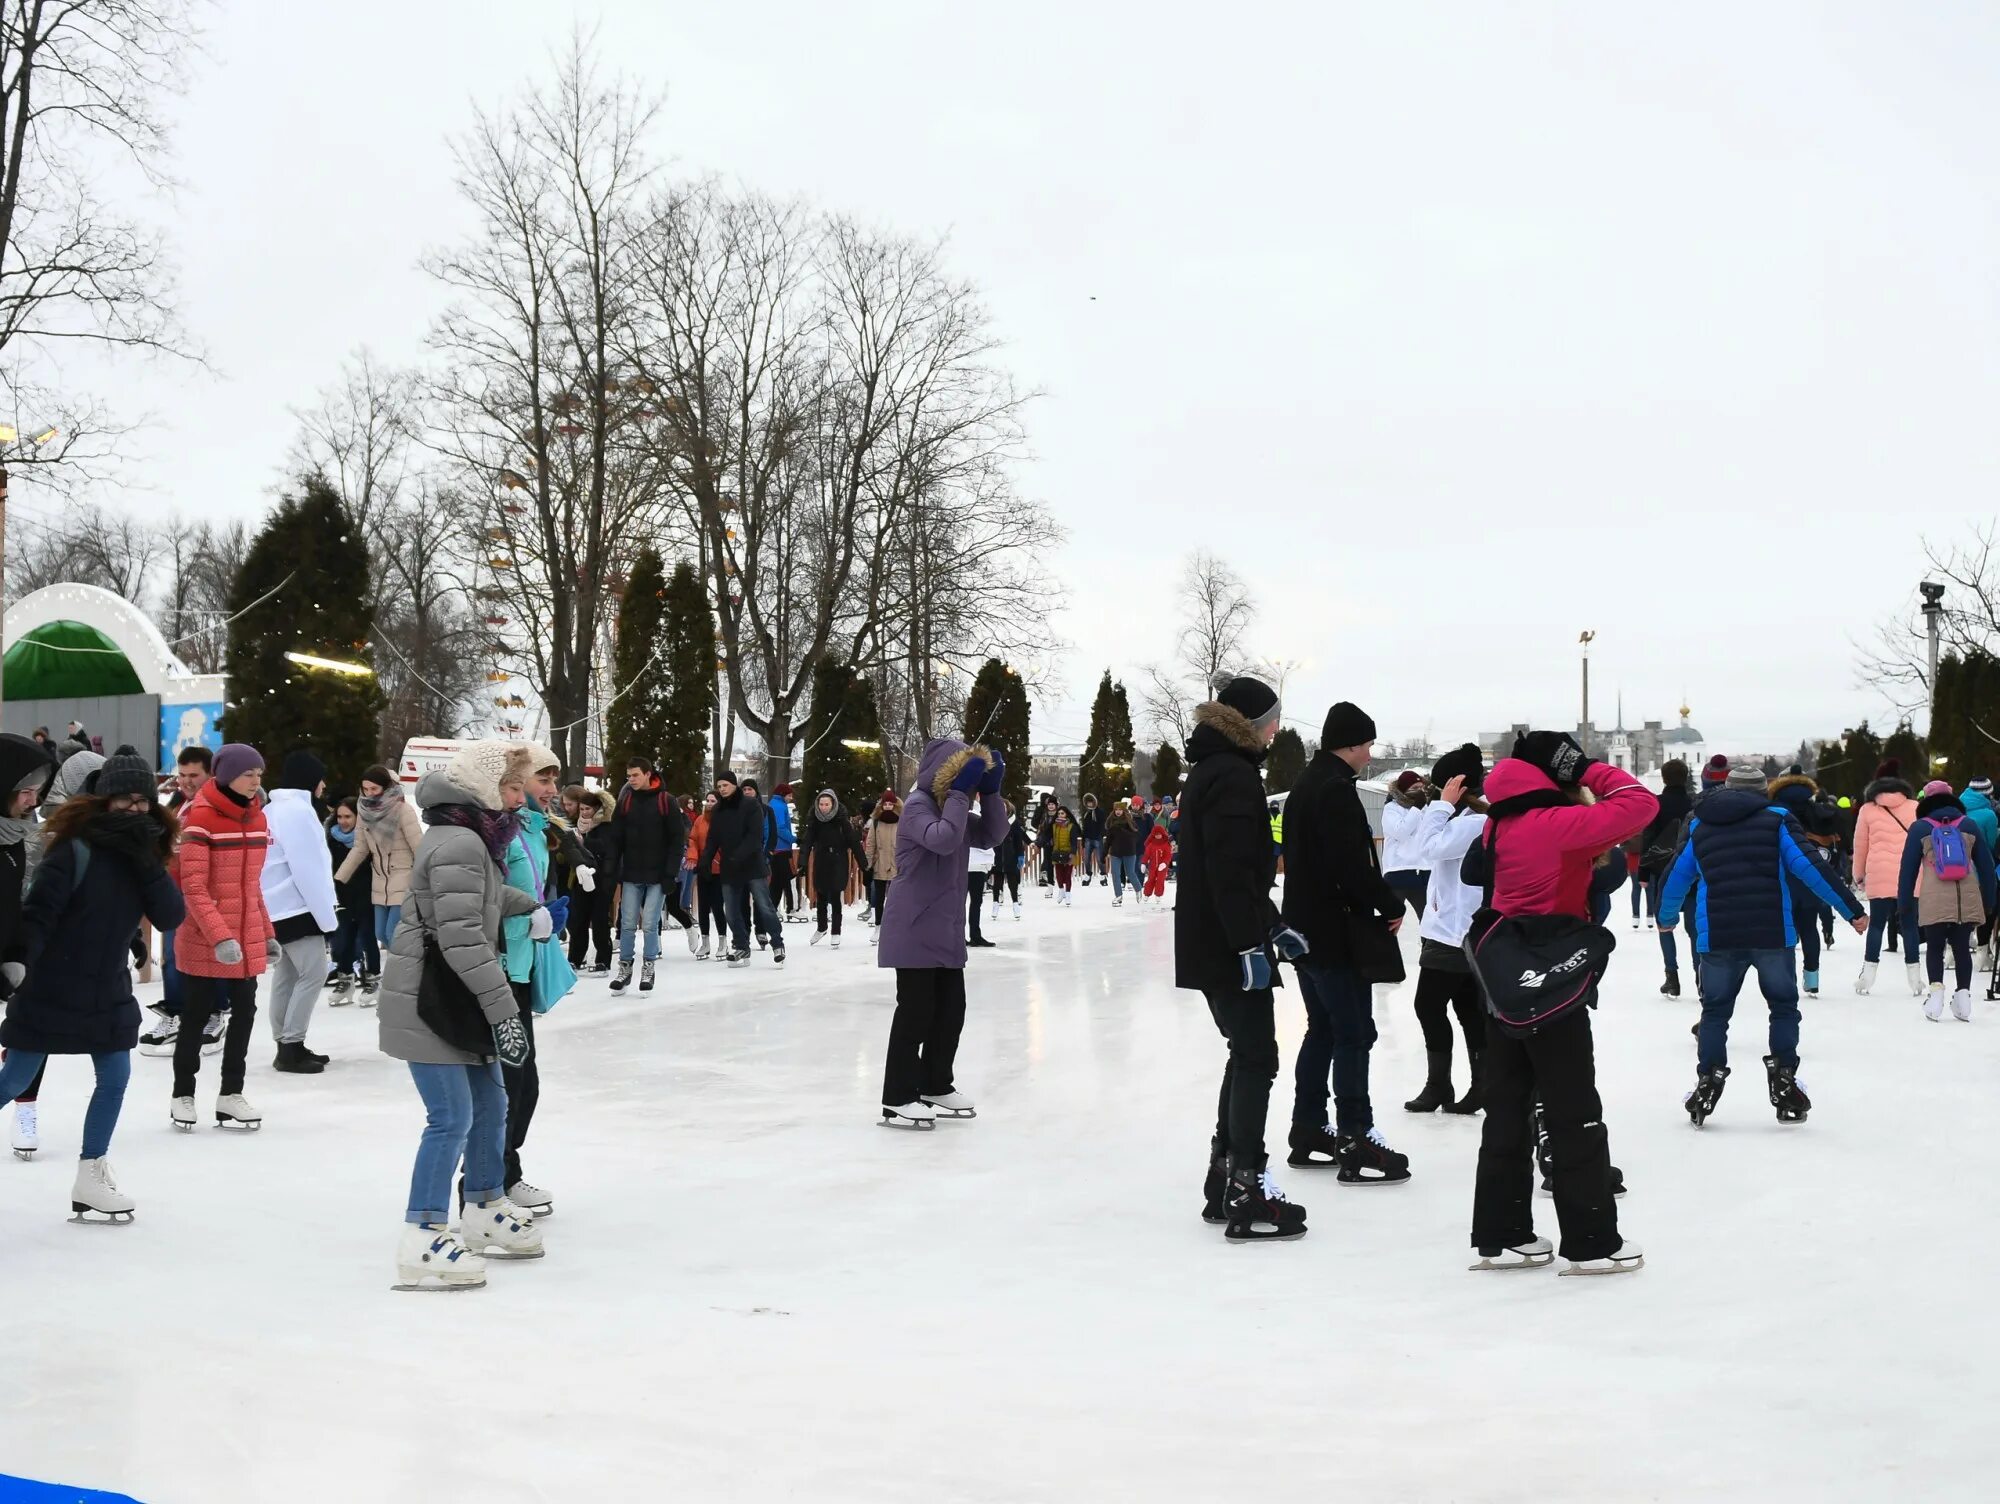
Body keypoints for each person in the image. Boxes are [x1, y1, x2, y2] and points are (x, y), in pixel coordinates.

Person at [1466, 731, 1654, 1276]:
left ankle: (1502, 1235)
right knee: (1574, 1111)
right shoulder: (1556, 824)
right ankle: (1592, 1242)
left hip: (1503, 979)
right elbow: (1642, 805)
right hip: (1550, 979)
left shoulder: (1499, 822)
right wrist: (1591, 770)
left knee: (1506, 1108)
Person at [377, 743, 546, 1290]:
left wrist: (533, 906)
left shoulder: (470, 839)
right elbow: (460, 935)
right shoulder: (459, 841)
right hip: (431, 997)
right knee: (450, 1116)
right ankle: (422, 1234)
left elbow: (484, 897)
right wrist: (505, 1014)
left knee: (491, 1101)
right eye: (514, 788)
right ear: (484, 787)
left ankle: (482, 1206)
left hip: (455, 997)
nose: (520, 799)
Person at [0, 752, 184, 1221]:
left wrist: (145, 863)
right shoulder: (74, 849)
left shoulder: (144, 852)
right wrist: (18, 965)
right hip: (51, 985)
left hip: (105, 987)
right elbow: (39, 914)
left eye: (144, 801)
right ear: (104, 801)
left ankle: (91, 1175)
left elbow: (169, 916)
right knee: (16, 1079)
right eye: (125, 800)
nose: (135, 809)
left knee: (116, 1078)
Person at [1176, 677, 1309, 1242]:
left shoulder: (1214, 768)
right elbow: (1229, 874)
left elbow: (1233, 873)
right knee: (1258, 1056)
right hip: (1225, 944)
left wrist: (1272, 924)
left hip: (1218, 937)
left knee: (1246, 1052)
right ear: (1250, 722)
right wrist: (1249, 944)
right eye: (1273, 720)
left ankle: (1224, 1177)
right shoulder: (1232, 775)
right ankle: (1246, 1186)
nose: (1278, 730)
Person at [1658, 765, 1866, 1125]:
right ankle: (1785, 1081)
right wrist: (1851, 909)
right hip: (1772, 933)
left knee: (1715, 1012)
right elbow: (1810, 867)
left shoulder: (1701, 824)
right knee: (1783, 1006)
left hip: (1718, 936)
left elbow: (1677, 875)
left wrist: (1666, 916)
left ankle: (1708, 1078)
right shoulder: (1777, 821)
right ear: (1762, 791)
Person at [1278, 701, 1412, 1185]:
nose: (1370, 754)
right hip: (1333, 931)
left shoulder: (1305, 788)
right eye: (1368, 744)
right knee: (1354, 1032)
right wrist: (1389, 904)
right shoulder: (1334, 791)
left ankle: (1309, 1128)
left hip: (1304, 929)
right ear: (1352, 744)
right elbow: (1350, 867)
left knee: (1324, 1029)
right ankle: (1356, 1137)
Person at [876, 738, 1009, 1129]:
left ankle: (934, 1082)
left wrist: (991, 793)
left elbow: (993, 835)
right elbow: (944, 839)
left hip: (945, 929)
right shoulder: (917, 807)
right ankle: (898, 1095)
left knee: (951, 1012)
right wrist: (957, 795)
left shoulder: (956, 810)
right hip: (915, 926)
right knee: (915, 1013)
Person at [172, 744, 278, 1125]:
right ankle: (183, 1094)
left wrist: (265, 933)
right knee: (197, 1016)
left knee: (245, 1014)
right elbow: (194, 889)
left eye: (259, 775)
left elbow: (253, 888)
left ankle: (231, 1093)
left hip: (244, 935)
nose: (256, 781)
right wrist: (220, 938)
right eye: (249, 774)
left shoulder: (259, 820)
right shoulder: (200, 819)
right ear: (228, 775)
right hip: (205, 937)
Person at [494, 744, 576, 1217]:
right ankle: (488, 1182)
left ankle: (504, 1171)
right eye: (541, 781)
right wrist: (531, 914)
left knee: (525, 1083)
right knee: (509, 1082)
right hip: (499, 970)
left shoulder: (532, 827)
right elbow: (486, 892)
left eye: (552, 781)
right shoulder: (498, 832)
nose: (550, 791)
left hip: (522, 966)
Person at [1403, 744, 1489, 1115]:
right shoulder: (1466, 816)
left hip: (1457, 931)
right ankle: (1477, 1084)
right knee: (1467, 1007)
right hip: (1449, 926)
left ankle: (1441, 1085)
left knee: (1430, 1004)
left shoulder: (1476, 821)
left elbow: (1428, 848)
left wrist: (1440, 806)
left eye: (1441, 788)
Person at [260, 751, 338, 1072]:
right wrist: (327, 918)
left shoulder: (272, 809)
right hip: (297, 907)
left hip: (275, 906)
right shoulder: (298, 813)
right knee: (314, 973)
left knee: (287, 974)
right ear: (309, 778)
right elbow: (308, 869)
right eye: (320, 777)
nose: (323, 785)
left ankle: (286, 1042)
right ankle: (291, 1045)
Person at [0, 732, 57, 1157]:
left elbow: (16, 906)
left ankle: (25, 1108)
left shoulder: (17, 839)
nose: (33, 801)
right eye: (26, 790)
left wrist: (17, 955)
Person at [1899, 779, 1998, 1022]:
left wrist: (1904, 905)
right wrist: (1989, 901)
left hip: (1934, 897)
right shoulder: (1969, 824)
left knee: (1935, 947)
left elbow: (1908, 870)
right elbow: (1986, 867)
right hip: (1967, 895)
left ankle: (1935, 1000)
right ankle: (1963, 1000)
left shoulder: (1920, 827)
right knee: (1962, 947)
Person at [606, 758, 686, 993]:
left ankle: (649, 965)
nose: (630, 779)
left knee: (650, 923)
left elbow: (676, 840)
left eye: (635, 775)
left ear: (648, 774)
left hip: (658, 875)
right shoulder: (626, 801)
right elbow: (617, 836)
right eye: (628, 775)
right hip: (632, 871)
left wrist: (670, 873)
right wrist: (612, 865)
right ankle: (625, 967)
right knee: (628, 922)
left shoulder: (666, 801)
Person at [337, 764, 424, 966]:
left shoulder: (402, 810)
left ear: (385, 787)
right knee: (381, 935)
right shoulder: (364, 810)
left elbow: (419, 847)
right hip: (380, 882)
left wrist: (424, 881)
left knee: (392, 933)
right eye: (365, 789)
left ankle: (406, 973)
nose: (369, 794)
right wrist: (339, 878)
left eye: (374, 789)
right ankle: (407, 968)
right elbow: (360, 848)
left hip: (403, 879)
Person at [1767, 770, 1842, 997]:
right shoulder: (1814, 809)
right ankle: (1812, 976)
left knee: (1785, 930)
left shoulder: (1774, 812)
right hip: (1810, 874)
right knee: (1809, 927)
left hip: (1782, 877)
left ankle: (1786, 978)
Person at [1852, 759, 1922, 996]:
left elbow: (1860, 846)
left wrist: (1858, 875)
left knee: (1877, 926)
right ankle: (1915, 980)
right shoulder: (1915, 807)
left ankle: (1867, 977)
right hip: (1909, 875)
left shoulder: (1867, 809)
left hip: (1879, 873)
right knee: (1910, 926)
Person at [703, 772, 785, 967]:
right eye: (719, 786)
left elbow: (754, 836)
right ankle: (741, 945)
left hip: (752, 864)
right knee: (731, 910)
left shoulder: (750, 805)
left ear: (734, 785)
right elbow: (713, 838)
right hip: (730, 868)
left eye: (725, 785)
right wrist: (705, 861)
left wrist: (739, 855)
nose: (722, 789)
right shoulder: (718, 810)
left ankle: (777, 943)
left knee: (765, 906)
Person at [1637, 759, 1694, 997]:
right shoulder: (1696, 803)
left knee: (1665, 925)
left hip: (1664, 872)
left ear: (1663, 778)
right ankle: (1701, 975)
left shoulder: (1656, 805)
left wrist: (1643, 872)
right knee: (1695, 927)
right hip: (1694, 870)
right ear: (1686, 776)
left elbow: (1648, 837)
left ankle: (1672, 977)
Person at [325, 796, 379, 1004]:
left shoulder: (367, 837)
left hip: (366, 894)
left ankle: (373, 979)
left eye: (348, 816)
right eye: (339, 816)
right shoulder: (331, 838)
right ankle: (345, 979)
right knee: (344, 939)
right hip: (342, 894)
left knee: (367, 937)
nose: (343, 821)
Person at [803, 789, 864, 947]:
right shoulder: (814, 821)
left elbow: (853, 842)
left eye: (827, 804)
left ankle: (836, 931)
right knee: (821, 895)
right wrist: (802, 862)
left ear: (833, 804)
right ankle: (822, 927)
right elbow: (807, 842)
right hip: (822, 860)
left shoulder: (841, 820)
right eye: (821, 804)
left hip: (838, 859)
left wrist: (863, 862)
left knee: (836, 896)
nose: (823, 807)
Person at [568, 791, 617, 973]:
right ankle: (575, 958)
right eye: (582, 809)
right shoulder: (577, 826)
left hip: (602, 879)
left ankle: (603, 959)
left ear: (596, 809)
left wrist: (583, 844)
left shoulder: (606, 826)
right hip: (581, 880)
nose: (584, 812)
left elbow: (607, 849)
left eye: (588, 809)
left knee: (599, 921)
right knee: (578, 920)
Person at [1379, 771, 1432, 916]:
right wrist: (1416, 809)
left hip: (1424, 870)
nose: (1419, 792)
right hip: (1398, 871)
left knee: (1429, 920)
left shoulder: (1426, 808)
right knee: (1391, 919)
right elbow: (1401, 832)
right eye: (1415, 788)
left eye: (1421, 788)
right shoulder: (1392, 808)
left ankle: (1426, 940)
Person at [684, 790, 724, 960]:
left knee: (717, 906)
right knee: (703, 906)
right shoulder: (700, 820)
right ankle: (705, 941)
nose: (709, 803)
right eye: (707, 800)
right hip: (703, 868)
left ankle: (723, 941)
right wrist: (693, 856)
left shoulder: (723, 820)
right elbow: (692, 839)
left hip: (719, 868)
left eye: (713, 800)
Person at [863, 791, 901, 937]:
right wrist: (868, 864)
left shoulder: (901, 820)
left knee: (895, 899)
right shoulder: (876, 821)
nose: (888, 807)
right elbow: (871, 843)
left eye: (890, 804)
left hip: (897, 865)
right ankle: (878, 926)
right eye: (885, 804)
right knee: (879, 898)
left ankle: (895, 927)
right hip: (880, 864)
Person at [768, 782, 799, 921]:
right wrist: (793, 839)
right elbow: (780, 828)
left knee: (777, 881)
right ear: (783, 794)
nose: (790, 798)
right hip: (782, 848)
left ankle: (774, 908)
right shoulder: (780, 806)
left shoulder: (772, 804)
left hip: (775, 848)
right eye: (789, 795)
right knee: (789, 879)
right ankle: (791, 909)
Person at [991, 799, 1026, 919]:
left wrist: (1020, 855)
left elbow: (1018, 841)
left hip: (1011, 857)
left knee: (1013, 883)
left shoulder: (1013, 822)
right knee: (997, 883)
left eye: (1004, 807)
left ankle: (1015, 904)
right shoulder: (994, 821)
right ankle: (995, 904)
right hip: (997, 857)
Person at [1106, 797, 1141, 907]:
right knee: (1115, 874)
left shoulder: (1130, 822)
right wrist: (1104, 852)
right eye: (1116, 809)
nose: (1118, 811)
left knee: (1130, 873)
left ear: (1124, 810)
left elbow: (1136, 836)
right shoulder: (1111, 822)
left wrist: (1123, 832)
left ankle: (1138, 889)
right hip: (1115, 852)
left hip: (1129, 852)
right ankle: (1118, 896)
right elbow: (1108, 840)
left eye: (1120, 809)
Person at [1140, 811, 1174, 910]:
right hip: (1152, 866)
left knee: (1160, 880)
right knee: (1150, 880)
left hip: (1162, 867)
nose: (1158, 836)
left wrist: (1164, 863)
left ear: (1162, 834)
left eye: (1159, 834)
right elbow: (1146, 855)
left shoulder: (1166, 844)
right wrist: (1143, 863)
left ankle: (1158, 894)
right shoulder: (1151, 845)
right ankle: (1147, 894)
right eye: (1156, 834)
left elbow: (1168, 855)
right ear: (1153, 834)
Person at [1049, 806, 1077, 905]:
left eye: (1062, 813)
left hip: (1069, 853)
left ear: (1066, 814)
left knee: (1068, 875)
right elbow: (1047, 836)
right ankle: (1061, 891)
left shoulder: (1071, 826)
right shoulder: (1054, 826)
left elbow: (1074, 842)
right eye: (1059, 813)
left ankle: (1068, 894)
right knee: (1059, 875)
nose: (1060, 815)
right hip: (1057, 853)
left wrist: (1072, 853)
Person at [1078, 794, 1106, 886]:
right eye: (1088, 803)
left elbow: (1103, 825)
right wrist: (1083, 840)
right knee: (1086, 859)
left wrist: (1101, 835)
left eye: (1091, 802)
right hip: (1088, 839)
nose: (1090, 804)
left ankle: (1103, 874)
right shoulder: (1086, 814)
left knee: (1099, 858)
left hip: (1097, 838)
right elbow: (1084, 827)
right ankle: (1088, 874)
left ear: (1095, 802)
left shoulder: (1100, 812)